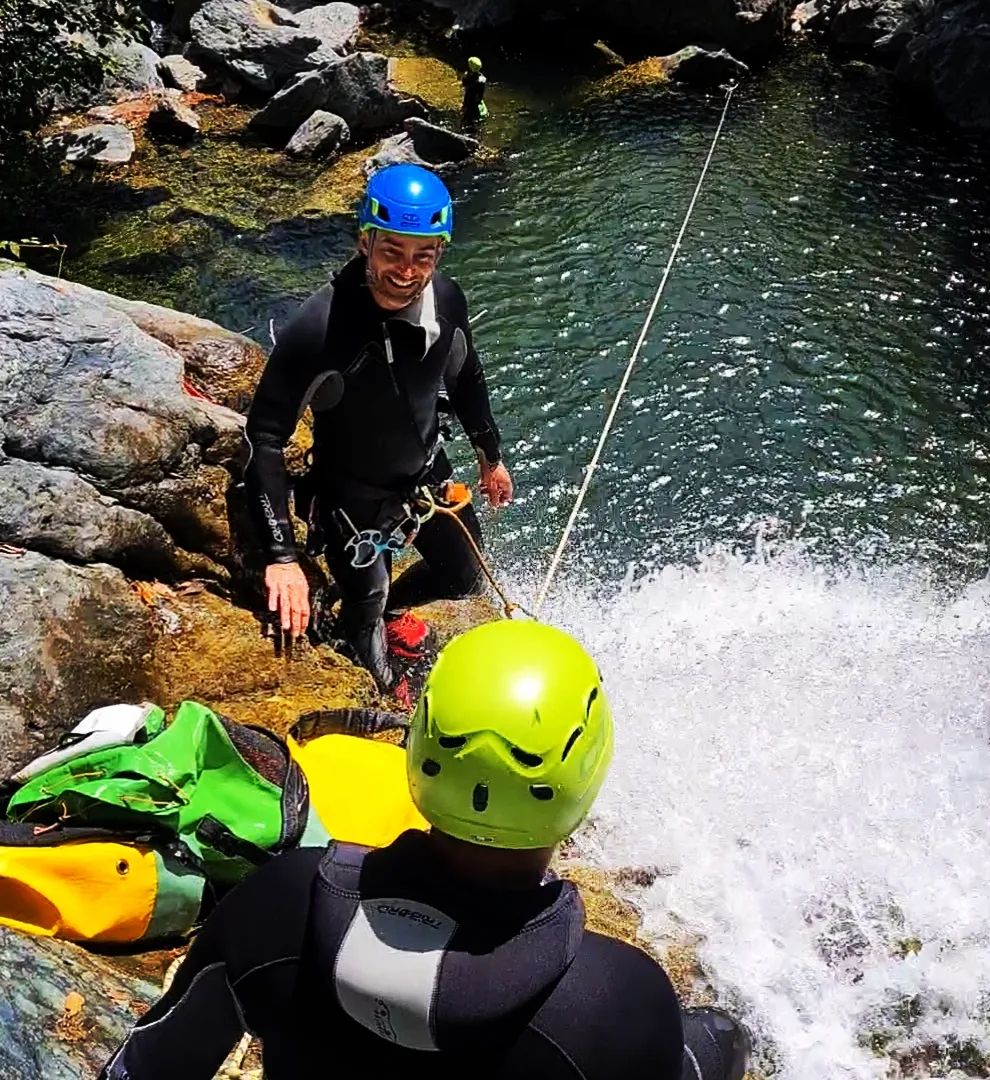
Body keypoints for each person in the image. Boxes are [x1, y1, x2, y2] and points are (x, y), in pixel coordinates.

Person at [99, 620, 750, 1080]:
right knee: (720, 1037)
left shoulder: (279, 903)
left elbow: (148, 1064)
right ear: (586, 781)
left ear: (418, 751)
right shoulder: (616, 1003)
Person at [243, 163, 513, 704]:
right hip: (354, 503)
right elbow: (265, 439)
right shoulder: (319, 329)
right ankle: (380, 662)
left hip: (426, 479)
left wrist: (490, 455)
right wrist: (282, 557)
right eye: (392, 251)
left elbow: (465, 377)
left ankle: (397, 619)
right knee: (365, 628)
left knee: (464, 580)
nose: (406, 272)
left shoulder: (447, 301)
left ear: (439, 253)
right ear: (364, 241)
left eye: (422, 256)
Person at [461, 55, 488, 130]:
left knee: (467, 123)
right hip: (476, 101)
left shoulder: (469, 79)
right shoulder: (482, 78)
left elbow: (464, 84)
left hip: (470, 103)